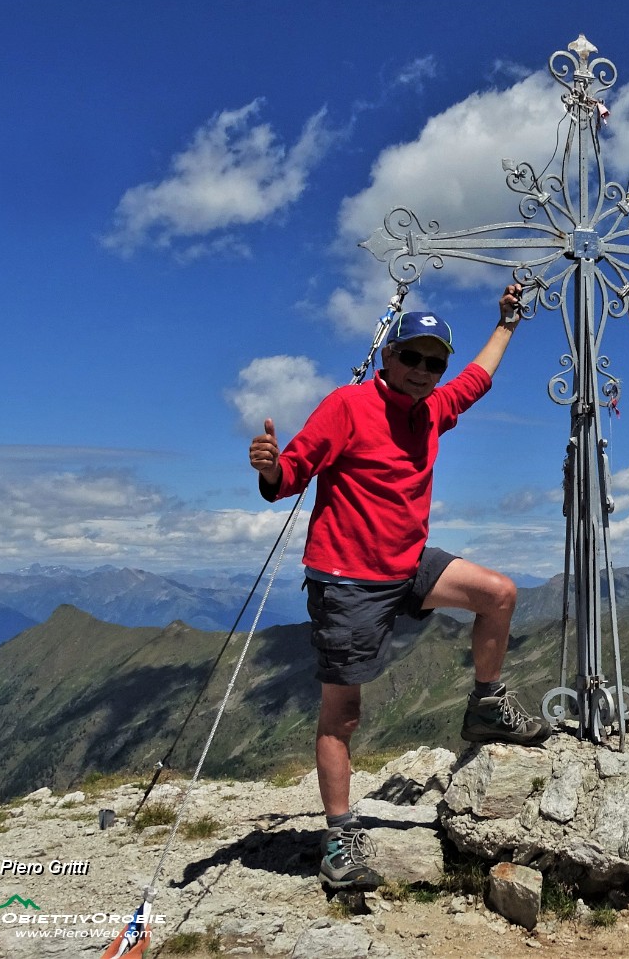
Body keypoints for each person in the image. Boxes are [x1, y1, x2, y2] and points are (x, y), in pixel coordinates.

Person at [248, 282, 549, 893]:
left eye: (433, 362)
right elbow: (290, 477)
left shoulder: (433, 409)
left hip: (407, 564)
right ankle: (339, 837)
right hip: (348, 579)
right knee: (343, 715)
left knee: (498, 593)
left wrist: (508, 323)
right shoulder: (347, 405)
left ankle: (486, 704)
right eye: (412, 356)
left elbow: (477, 378)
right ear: (388, 354)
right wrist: (270, 467)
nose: (422, 371)